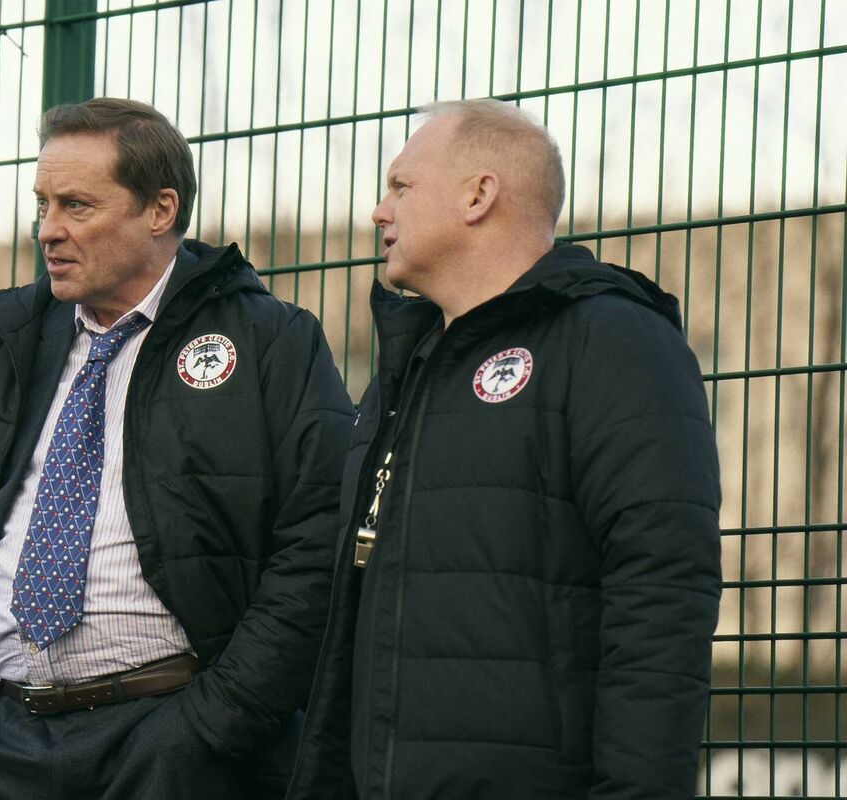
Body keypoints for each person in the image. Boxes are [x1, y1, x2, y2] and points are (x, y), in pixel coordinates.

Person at [0, 97, 355, 799]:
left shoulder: (269, 340)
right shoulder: (7, 346)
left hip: (174, 744)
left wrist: (210, 727)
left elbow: (321, 537)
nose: (48, 230)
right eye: (42, 204)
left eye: (77, 205)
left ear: (160, 210)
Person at [287, 99, 722, 799]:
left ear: (478, 195)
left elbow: (662, 594)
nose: (379, 211)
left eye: (401, 186)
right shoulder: (406, 370)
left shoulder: (614, 341)